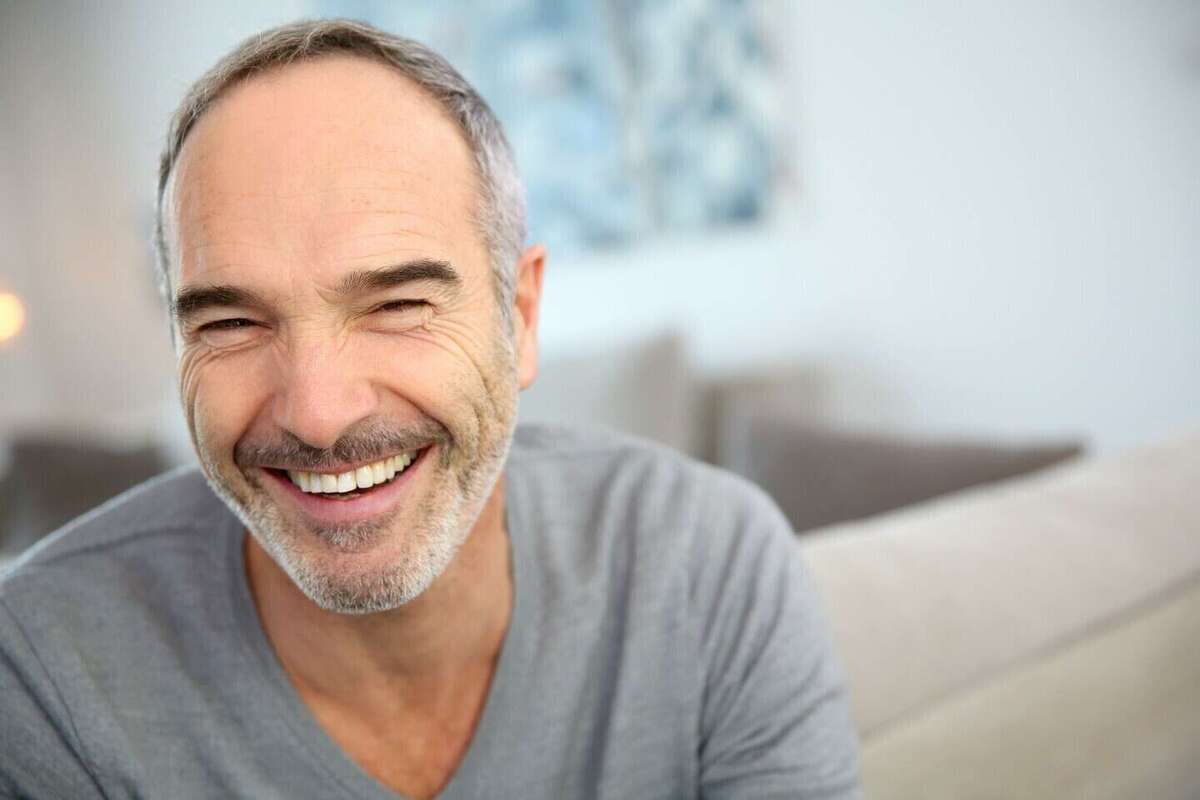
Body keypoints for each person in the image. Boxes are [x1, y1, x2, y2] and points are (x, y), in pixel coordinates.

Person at [0, 18, 861, 799]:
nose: (319, 415)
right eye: (230, 323)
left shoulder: (712, 569)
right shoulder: (42, 672)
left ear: (520, 316)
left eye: (398, 304)